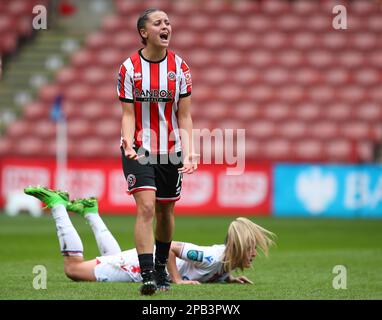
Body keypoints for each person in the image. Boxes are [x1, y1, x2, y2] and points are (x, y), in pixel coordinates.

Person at [24, 186, 276, 286]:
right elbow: (173, 247)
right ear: (240, 246)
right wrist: (176, 280)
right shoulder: (211, 256)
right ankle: (57, 205)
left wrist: (228, 279)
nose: (255, 254)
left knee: (114, 258)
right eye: (252, 247)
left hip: (138, 262)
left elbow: (203, 272)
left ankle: (90, 212)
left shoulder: (220, 263)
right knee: (73, 269)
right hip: (143, 265)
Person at [117, 8, 198, 294]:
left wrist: (189, 152)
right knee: (147, 207)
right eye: (158, 23)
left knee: (165, 211)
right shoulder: (128, 68)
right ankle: (148, 275)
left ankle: (162, 268)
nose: (166, 26)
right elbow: (127, 114)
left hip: (171, 149)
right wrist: (128, 142)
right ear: (144, 32)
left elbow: (184, 115)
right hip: (139, 148)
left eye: (168, 22)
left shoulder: (181, 68)